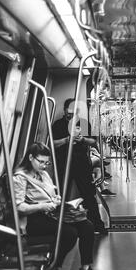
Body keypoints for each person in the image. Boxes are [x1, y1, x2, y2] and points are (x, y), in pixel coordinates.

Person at [13, 142, 103, 270]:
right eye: (40, 162)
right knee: (69, 232)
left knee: (87, 226)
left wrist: (56, 199)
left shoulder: (43, 174)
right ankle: (53, 269)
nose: (43, 166)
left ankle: (85, 269)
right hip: (33, 219)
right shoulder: (20, 177)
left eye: (46, 163)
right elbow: (20, 207)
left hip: (50, 213)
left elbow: (51, 194)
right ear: (30, 158)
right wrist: (44, 206)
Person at [52, 98, 108, 234]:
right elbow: (52, 144)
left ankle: (97, 225)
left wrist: (83, 139)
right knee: (60, 195)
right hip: (63, 163)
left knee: (89, 195)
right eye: (68, 112)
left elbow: (93, 142)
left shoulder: (83, 123)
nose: (70, 115)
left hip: (82, 163)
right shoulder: (58, 125)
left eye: (73, 112)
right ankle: (59, 226)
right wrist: (66, 140)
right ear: (65, 110)